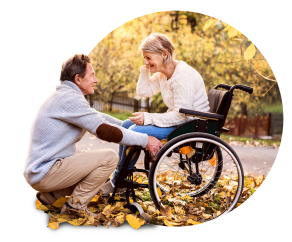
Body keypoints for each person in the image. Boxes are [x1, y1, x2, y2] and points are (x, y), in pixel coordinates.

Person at [22, 51, 163, 218]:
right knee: (108, 159)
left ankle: (50, 197)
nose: (96, 80)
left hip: (42, 170)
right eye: (92, 75)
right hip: (46, 172)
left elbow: (99, 117)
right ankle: (75, 207)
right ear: (78, 79)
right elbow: (104, 130)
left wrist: (130, 126)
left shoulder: (66, 96)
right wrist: (145, 139)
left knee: (98, 179)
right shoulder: (70, 99)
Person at [99, 33, 210, 195]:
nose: (146, 61)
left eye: (149, 58)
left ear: (164, 54)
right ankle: (121, 176)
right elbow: (143, 91)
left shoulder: (182, 77)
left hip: (190, 126)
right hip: (180, 122)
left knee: (135, 133)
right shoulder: (163, 74)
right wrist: (145, 70)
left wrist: (148, 118)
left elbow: (181, 115)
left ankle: (118, 180)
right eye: (145, 58)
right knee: (126, 126)